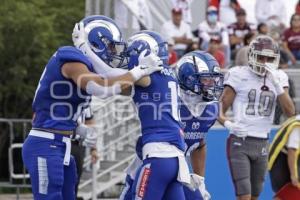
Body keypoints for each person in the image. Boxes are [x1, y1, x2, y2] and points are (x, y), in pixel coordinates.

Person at [21, 15, 163, 200]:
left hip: (60, 144)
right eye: (111, 47)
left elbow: (45, 111)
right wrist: (138, 71)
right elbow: (101, 87)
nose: (114, 53)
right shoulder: (70, 56)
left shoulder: (83, 63)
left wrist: (77, 129)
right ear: (97, 42)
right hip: (46, 145)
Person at [218, 35, 295, 200]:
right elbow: (219, 109)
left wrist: (277, 86)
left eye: (269, 58)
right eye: (261, 56)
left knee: (255, 196)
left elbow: (290, 112)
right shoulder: (238, 74)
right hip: (240, 141)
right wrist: (228, 124)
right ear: (252, 55)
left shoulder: (279, 77)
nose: (264, 61)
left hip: (263, 142)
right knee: (244, 195)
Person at [125, 30, 190, 200]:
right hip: (176, 159)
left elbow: (112, 83)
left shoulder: (147, 77)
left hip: (158, 155)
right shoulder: (169, 75)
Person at [176, 50, 224, 200]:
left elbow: (200, 143)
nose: (211, 84)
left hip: (178, 170)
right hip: (158, 165)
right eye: (205, 79)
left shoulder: (211, 108)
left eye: (213, 79)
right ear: (188, 79)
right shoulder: (171, 102)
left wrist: (200, 179)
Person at [268, 115, 300, 199]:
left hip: (290, 161)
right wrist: (293, 175)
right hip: (282, 162)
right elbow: (292, 151)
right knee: (285, 195)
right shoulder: (297, 125)